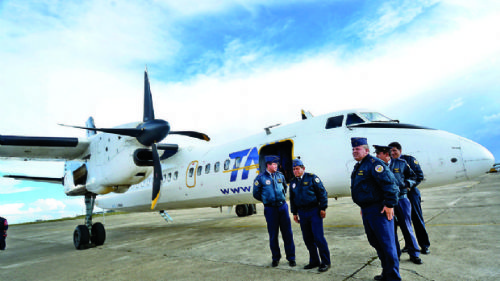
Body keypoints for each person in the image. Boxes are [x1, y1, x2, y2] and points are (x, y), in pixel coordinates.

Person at [350, 138, 401, 281]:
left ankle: (393, 278)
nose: (354, 151)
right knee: (376, 243)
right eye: (353, 149)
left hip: (379, 211)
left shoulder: (375, 164)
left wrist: (390, 204)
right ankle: (387, 273)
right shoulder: (359, 166)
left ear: (366, 150)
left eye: (357, 149)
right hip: (367, 211)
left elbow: (390, 185)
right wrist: (362, 206)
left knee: (387, 245)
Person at [374, 145, 422, 265]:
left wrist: (407, 184)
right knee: (391, 230)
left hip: (401, 200)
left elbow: (414, 177)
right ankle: (396, 255)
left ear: (386, 154)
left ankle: (414, 254)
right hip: (386, 203)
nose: (376, 156)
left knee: (407, 227)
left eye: (378, 153)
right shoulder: (376, 167)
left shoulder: (401, 163)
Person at [253, 155, 296, 267]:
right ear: (268, 165)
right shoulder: (260, 178)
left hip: (282, 207)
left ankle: (291, 258)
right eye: (274, 164)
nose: (276, 166)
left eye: (276, 164)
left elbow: (284, 188)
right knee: (273, 235)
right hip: (270, 209)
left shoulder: (280, 175)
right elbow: (256, 194)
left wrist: (280, 197)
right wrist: (267, 200)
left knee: (288, 234)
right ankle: (276, 258)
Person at [289, 158, 331, 272]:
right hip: (302, 213)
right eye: (294, 169)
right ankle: (314, 261)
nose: (295, 171)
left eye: (297, 169)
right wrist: (294, 213)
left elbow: (322, 193)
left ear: (303, 169)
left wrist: (323, 208)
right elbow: (292, 199)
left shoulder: (312, 178)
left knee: (318, 237)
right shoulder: (293, 182)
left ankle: (325, 262)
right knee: (307, 238)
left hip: (314, 211)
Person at [389, 142, 430, 255]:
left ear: (400, 150)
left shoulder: (409, 160)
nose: (393, 153)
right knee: (403, 222)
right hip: (399, 196)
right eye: (391, 151)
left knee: (417, 219)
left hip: (411, 193)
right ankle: (409, 245)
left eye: (395, 151)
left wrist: (407, 186)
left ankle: (424, 245)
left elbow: (418, 176)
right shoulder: (390, 163)